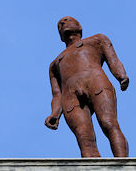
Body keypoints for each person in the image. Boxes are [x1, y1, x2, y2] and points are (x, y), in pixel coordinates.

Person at [44, 16, 130, 157]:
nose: (62, 23)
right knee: (84, 137)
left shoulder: (97, 40)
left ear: (79, 26)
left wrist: (121, 75)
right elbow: (56, 94)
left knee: (108, 123)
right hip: (70, 96)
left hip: (96, 82)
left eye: (66, 20)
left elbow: (113, 60)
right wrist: (54, 113)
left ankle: (122, 164)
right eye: (60, 24)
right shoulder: (55, 64)